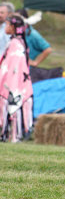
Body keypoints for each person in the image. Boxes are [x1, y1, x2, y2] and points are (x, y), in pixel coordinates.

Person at [0, 14, 33, 142]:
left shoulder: (16, 44)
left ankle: (13, 135)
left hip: (13, 85)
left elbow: (15, 69)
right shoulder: (16, 42)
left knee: (12, 109)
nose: (5, 27)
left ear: (14, 27)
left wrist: (10, 85)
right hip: (12, 84)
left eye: (8, 25)